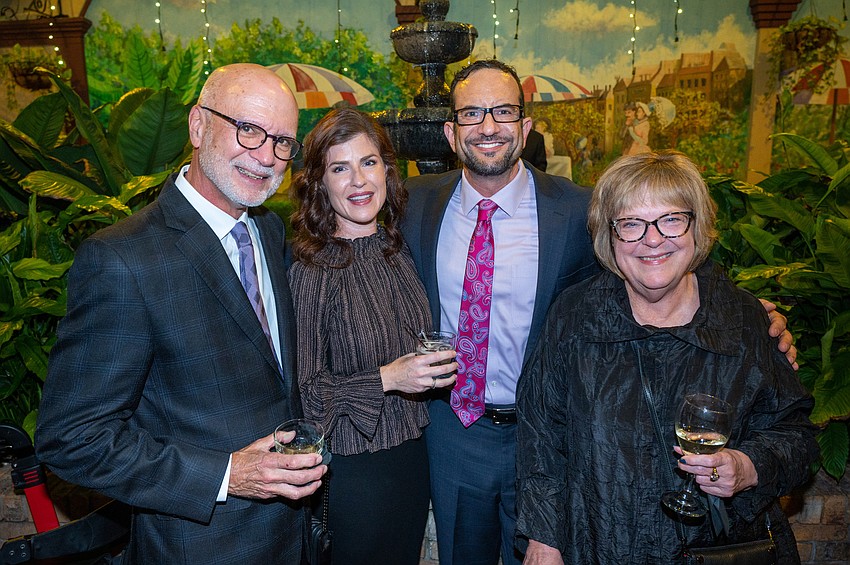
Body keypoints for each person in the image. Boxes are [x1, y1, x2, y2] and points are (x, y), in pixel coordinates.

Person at [400, 59, 797, 565]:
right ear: (450, 133)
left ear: (525, 126)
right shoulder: (413, 205)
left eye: (503, 111)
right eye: (472, 113)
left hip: (559, 437)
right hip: (457, 431)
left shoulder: (577, 211)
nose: (488, 126)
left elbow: (660, 254)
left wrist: (753, 317)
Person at [35, 63, 326, 563]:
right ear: (197, 125)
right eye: (248, 130)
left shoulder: (269, 232)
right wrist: (226, 475)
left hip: (292, 538)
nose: (266, 157)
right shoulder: (123, 258)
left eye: (283, 142)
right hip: (199, 546)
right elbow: (72, 437)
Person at [515, 150, 819, 564]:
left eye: (671, 219)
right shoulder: (573, 317)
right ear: (610, 236)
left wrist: (747, 465)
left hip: (716, 548)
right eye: (632, 223)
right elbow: (542, 439)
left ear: (698, 227)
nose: (652, 239)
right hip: (601, 545)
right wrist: (543, 540)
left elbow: (796, 435)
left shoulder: (744, 319)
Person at [288, 107, 458, 565]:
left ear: (387, 169)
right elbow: (306, 395)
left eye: (368, 162)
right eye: (339, 168)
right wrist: (387, 377)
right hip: (353, 471)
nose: (358, 181)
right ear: (320, 183)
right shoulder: (313, 269)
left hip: (411, 455)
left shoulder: (396, 248)